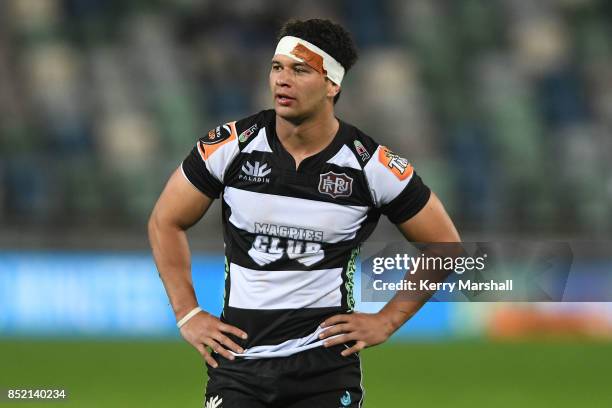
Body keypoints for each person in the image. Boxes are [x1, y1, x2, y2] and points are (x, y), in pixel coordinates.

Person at [148, 18, 460, 408]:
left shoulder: (370, 165)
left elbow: (445, 245)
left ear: (333, 84)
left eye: (300, 70)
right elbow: (165, 219)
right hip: (237, 368)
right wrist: (187, 313)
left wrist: (387, 320)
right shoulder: (231, 147)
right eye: (277, 67)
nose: (282, 80)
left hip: (325, 373)